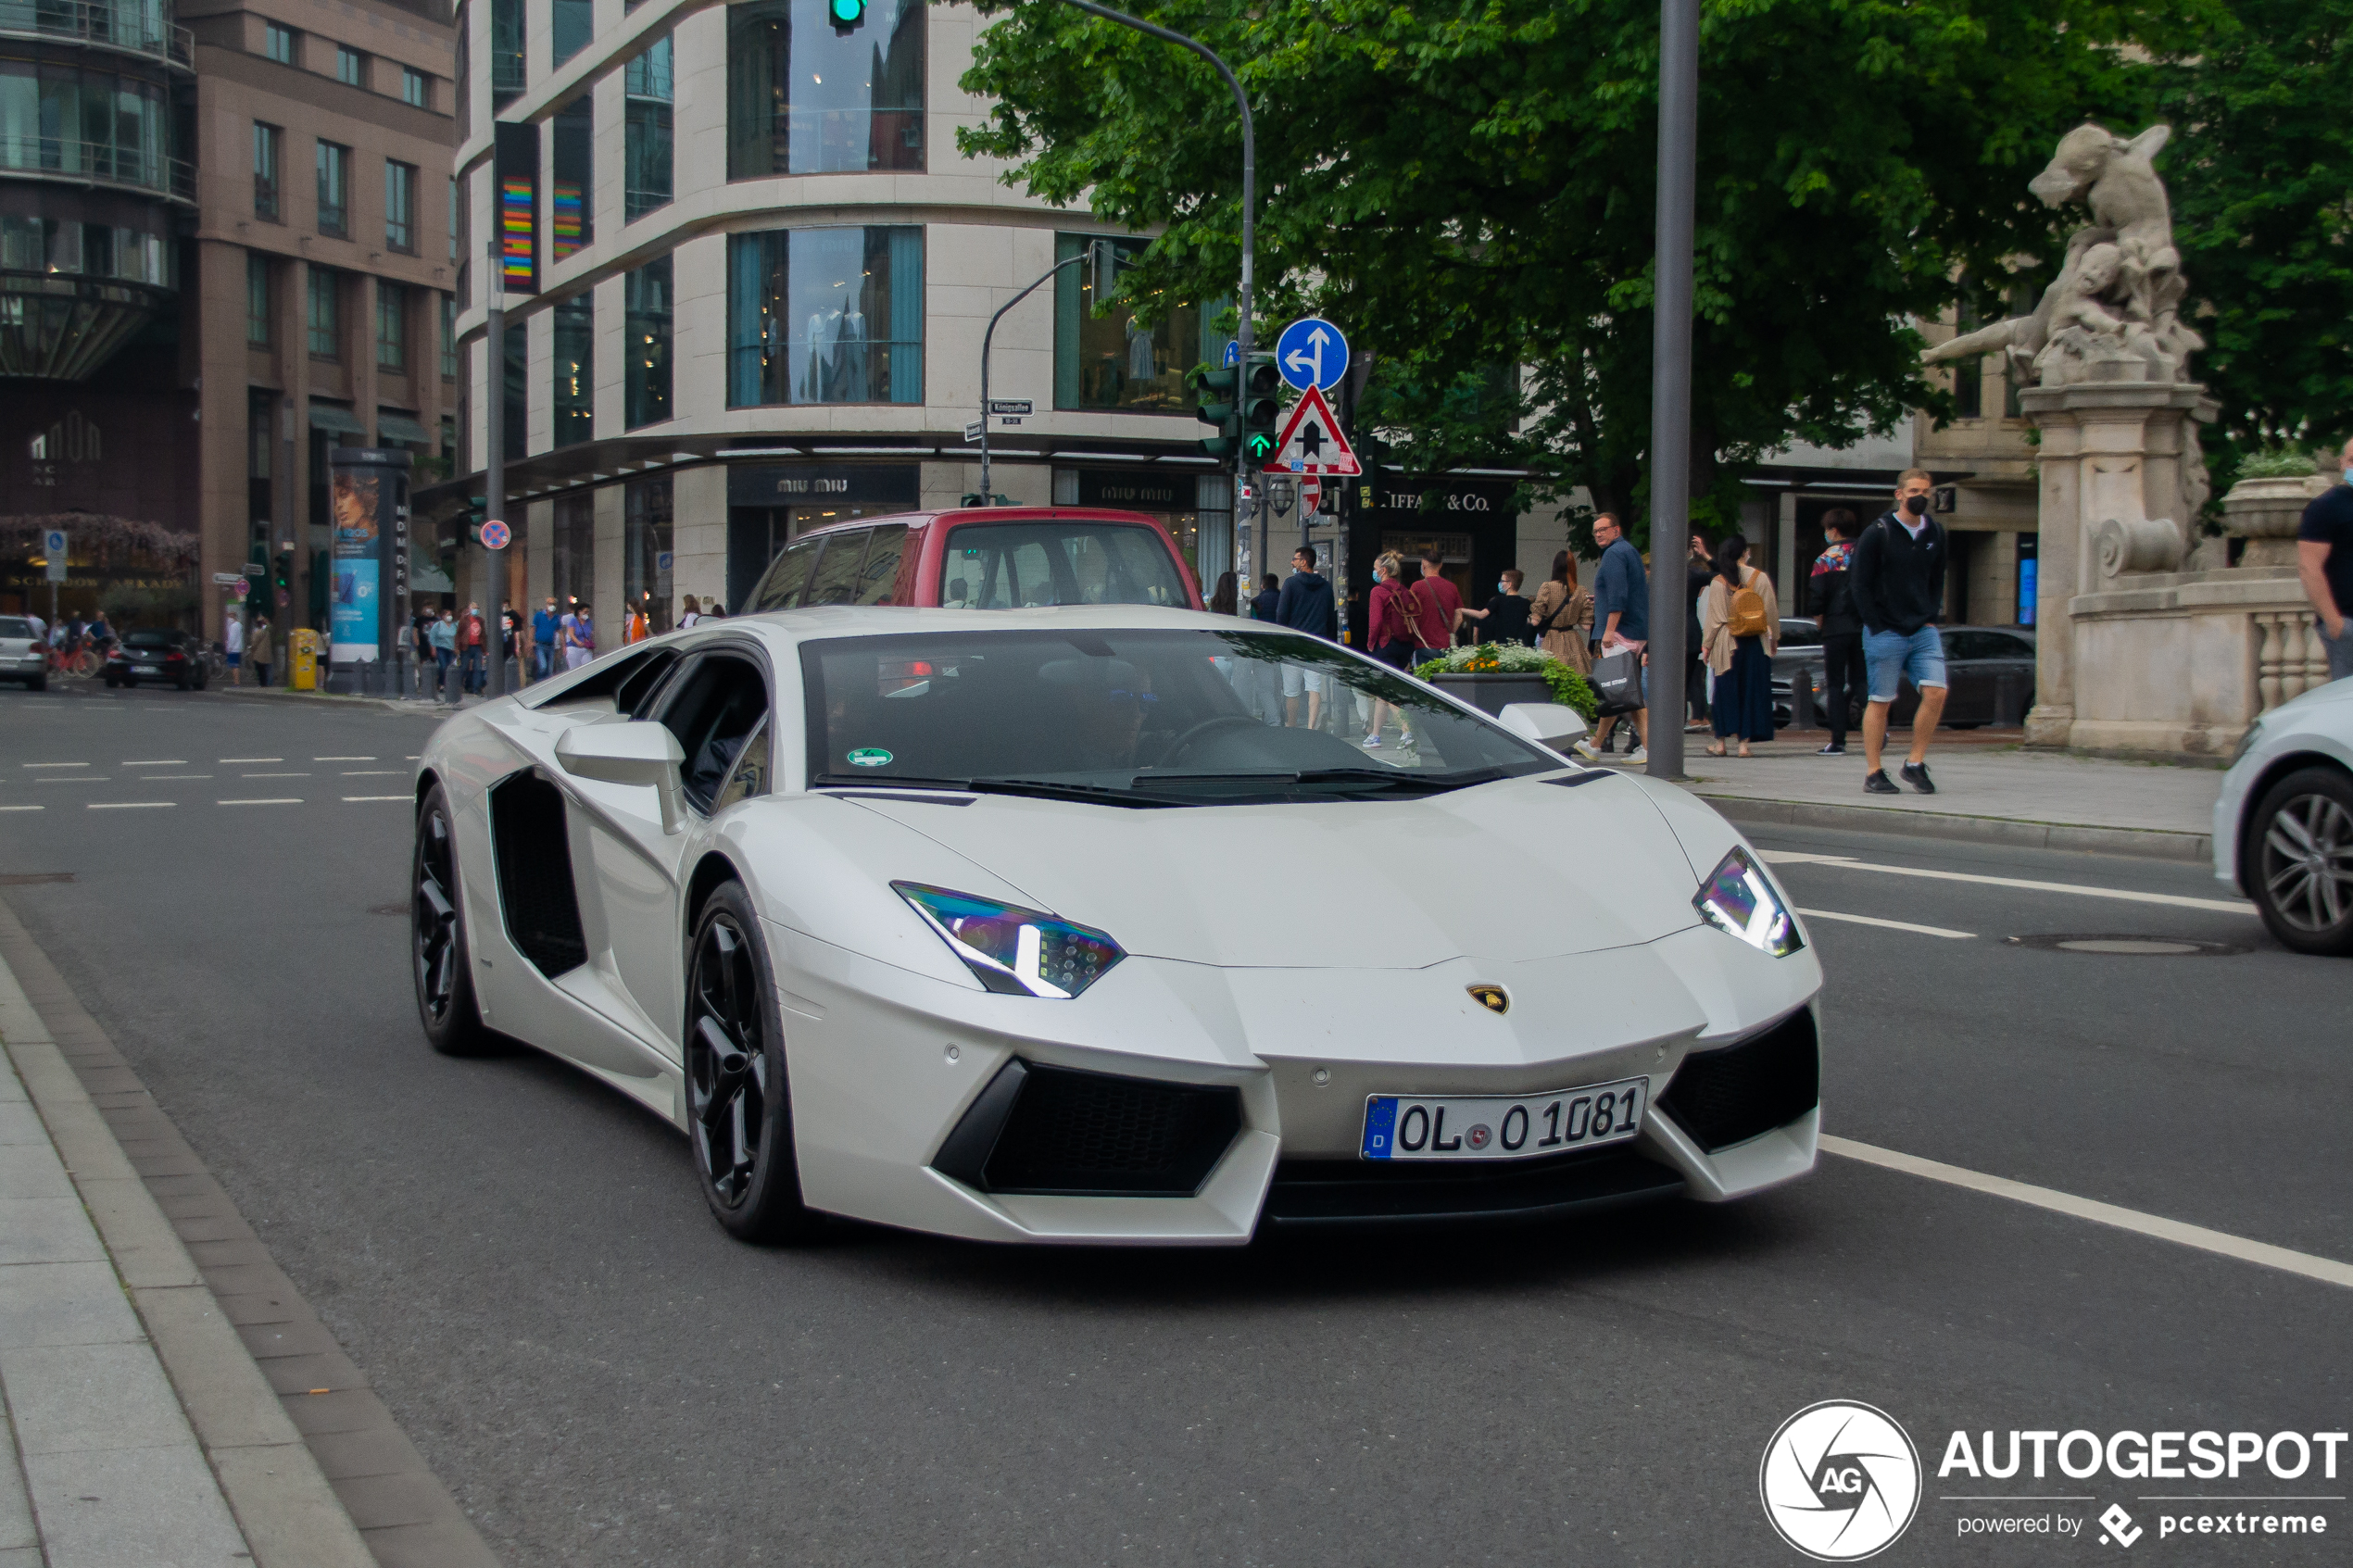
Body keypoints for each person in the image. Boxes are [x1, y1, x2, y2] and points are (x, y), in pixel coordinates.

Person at [1851, 469, 1950, 794]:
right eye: (1914, 491)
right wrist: (1875, 625)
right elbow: (1860, 584)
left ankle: (1915, 763)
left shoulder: (1935, 532)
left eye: (1926, 491)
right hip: (1886, 629)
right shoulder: (1878, 533)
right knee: (1881, 700)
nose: (1921, 496)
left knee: (1936, 690)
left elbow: (1937, 576)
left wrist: (1931, 613)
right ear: (1899, 494)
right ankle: (1873, 771)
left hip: (1922, 628)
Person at [1698, 535, 1781, 758]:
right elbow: (1771, 614)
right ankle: (1744, 745)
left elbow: (1714, 620)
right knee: (1751, 691)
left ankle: (1721, 743)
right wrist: (1774, 640)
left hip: (1727, 643)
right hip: (1755, 640)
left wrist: (1706, 646)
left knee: (1724, 692)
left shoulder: (1719, 581)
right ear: (1746, 552)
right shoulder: (1760, 578)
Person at [1579, 511, 1649, 763]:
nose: (1598, 533)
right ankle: (1596, 744)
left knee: (1622, 690)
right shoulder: (1629, 552)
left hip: (1620, 632)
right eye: (1595, 530)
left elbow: (1619, 595)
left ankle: (1648, 749)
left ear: (1616, 530)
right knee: (1619, 690)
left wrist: (1609, 630)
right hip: (1633, 630)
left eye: (1603, 529)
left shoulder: (1614, 554)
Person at [1809, 509, 1867, 753]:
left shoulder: (1825, 560)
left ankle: (1838, 740)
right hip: (1864, 626)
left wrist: (1821, 621)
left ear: (1832, 530)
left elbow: (1816, 599)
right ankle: (1876, 725)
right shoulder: (1865, 553)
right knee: (1862, 679)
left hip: (1835, 627)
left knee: (1835, 684)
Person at [2297, 435, 2353, 682]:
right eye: (2352, 460)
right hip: (2348, 624)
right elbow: (2310, 567)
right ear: (2342, 463)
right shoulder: (2326, 507)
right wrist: (2334, 622)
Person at [1363, 550, 1425, 747]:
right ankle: (1375, 735)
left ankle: (1407, 732)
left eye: (1375, 569)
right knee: (1384, 691)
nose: (1373, 572)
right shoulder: (1404, 591)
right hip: (1405, 646)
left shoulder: (1378, 591)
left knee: (1388, 691)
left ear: (1383, 570)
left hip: (1385, 644)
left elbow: (1376, 622)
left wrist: (1371, 643)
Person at [1274, 546, 1336, 728]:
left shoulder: (1290, 584)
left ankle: (1291, 725)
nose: (1292, 562)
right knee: (1314, 689)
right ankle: (1311, 728)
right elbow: (1330, 617)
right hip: (1316, 645)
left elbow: (1281, 615)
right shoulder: (1326, 587)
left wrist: (1280, 640)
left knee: (1291, 691)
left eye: (1295, 559)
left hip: (1292, 645)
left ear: (1304, 562)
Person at [1526, 551, 1593, 675]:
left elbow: (1535, 621)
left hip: (1552, 639)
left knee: (1551, 675)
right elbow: (1586, 626)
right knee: (1577, 675)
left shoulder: (1547, 587)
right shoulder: (1581, 591)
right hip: (1573, 640)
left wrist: (1529, 618)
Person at [1685, 533, 1714, 731]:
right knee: (1689, 681)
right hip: (1691, 632)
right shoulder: (1692, 575)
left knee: (1683, 683)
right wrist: (1706, 555)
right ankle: (1696, 716)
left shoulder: (1659, 575)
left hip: (1676, 635)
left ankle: (1691, 717)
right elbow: (1723, 574)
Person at [1409, 552, 1465, 655]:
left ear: (1423, 566)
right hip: (1446, 647)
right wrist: (1449, 633)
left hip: (1423, 645)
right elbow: (1459, 617)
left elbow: (1410, 617)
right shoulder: (1452, 587)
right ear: (1441, 565)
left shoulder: (1417, 587)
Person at [1462, 568, 1532, 645]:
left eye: (1502, 581)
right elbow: (1530, 621)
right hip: (1520, 644)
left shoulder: (1498, 600)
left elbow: (1481, 615)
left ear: (1510, 584)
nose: (1500, 583)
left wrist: (1461, 610)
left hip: (1502, 643)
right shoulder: (1526, 603)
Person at [459, 601, 487, 693]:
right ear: (470, 609)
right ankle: (459, 686)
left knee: (478, 668)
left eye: (477, 608)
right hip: (466, 646)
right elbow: (459, 634)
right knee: (464, 667)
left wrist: (485, 649)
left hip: (477, 646)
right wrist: (457, 647)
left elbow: (483, 635)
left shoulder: (481, 621)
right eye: (474, 608)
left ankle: (476, 688)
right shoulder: (464, 620)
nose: (476, 610)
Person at [532, 596, 560, 680]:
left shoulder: (556, 618)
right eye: (550, 604)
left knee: (550, 670)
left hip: (551, 646)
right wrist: (530, 641)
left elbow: (560, 632)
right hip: (540, 644)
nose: (552, 605)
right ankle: (539, 682)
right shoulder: (539, 615)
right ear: (546, 605)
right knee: (543, 666)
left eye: (553, 604)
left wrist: (563, 646)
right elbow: (533, 628)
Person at [247, 616, 273, 688]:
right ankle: (266, 684)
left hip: (258, 653)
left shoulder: (258, 631)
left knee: (260, 669)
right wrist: (267, 622)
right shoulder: (266, 631)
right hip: (266, 653)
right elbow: (270, 627)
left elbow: (254, 642)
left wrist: (251, 648)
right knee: (266, 669)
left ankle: (262, 684)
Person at [567, 604, 597, 669]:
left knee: (588, 667)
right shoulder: (573, 621)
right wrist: (577, 642)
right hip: (574, 648)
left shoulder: (589, 622)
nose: (587, 614)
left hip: (585, 648)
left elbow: (590, 633)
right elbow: (571, 634)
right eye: (585, 612)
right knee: (575, 668)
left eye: (588, 612)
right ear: (579, 612)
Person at [224, 613, 245, 684]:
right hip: (238, 648)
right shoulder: (239, 625)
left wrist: (229, 648)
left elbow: (232, 638)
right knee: (236, 666)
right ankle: (237, 681)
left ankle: (236, 682)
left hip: (233, 649)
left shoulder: (233, 626)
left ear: (232, 617)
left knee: (234, 666)